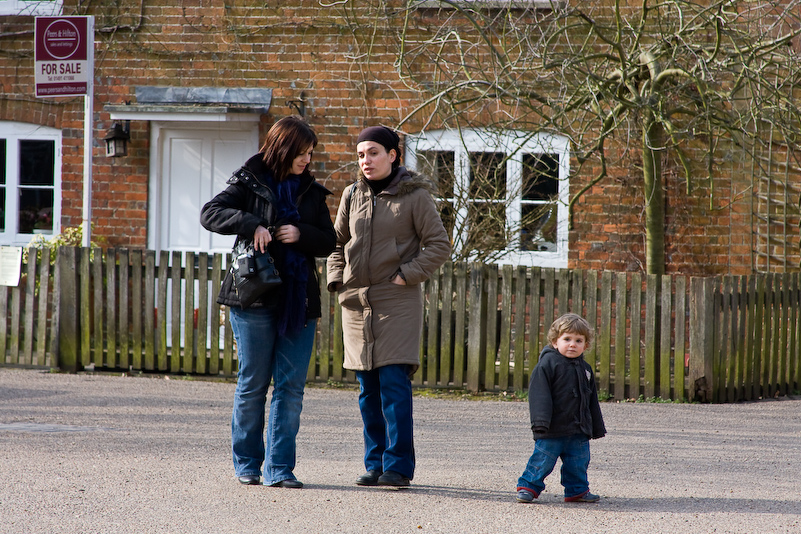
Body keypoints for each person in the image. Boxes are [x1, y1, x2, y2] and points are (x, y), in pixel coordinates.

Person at [200, 116, 335, 488]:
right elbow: (210, 213)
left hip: (298, 300)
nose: (307, 159)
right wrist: (251, 223)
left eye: (311, 153)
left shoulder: (310, 191)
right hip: (253, 297)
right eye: (302, 152)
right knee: (253, 384)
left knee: (290, 388)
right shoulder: (248, 180)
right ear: (284, 148)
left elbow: (328, 240)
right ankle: (247, 463)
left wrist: (301, 233)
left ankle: (280, 468)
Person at [327, 126, 451, 487]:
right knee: (367, 388)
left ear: (393, 155)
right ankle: (375, 463)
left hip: (396, 302)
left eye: (374, 153)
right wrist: (337, 279)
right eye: (361, 154)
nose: (366, 160)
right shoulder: (352, 194)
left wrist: (406, 275)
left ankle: (397, 467)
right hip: (355, 303)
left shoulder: (414, 197)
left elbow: (438, 244)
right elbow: (337, 242)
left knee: (393, 385)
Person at [516, 313, 607, 503]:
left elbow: (591, 400)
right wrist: (540, 422)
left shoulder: (586, 369)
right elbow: (539, 395)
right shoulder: (547, 365)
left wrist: (596, 427)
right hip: (553, 428)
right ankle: (528, 486)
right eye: (567, 339)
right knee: (542, 460)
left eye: (578, 340)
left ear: (585, 345)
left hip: (578, 429)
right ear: (555, 342)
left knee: (578, 463)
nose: (572, 344)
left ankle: (577, 490)